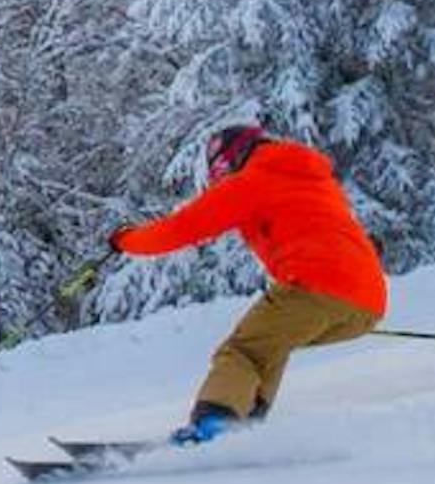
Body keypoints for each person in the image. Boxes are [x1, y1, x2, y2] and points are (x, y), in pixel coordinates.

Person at [107, 123, 389, 445]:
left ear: (236, 155)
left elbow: (182, 228)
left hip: (313, 287)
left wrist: (125, 240)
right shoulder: (317, 182)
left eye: (220, 167)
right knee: (268, 346)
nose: (219, 177)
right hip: (366, 304)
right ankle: (246, 424)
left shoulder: (254, 180)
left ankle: (215, 424)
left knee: (243, 351)